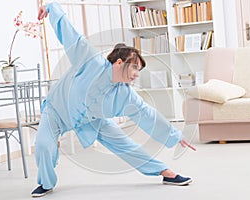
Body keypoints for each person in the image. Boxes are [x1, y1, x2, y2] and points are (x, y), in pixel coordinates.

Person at [32, 2, 195, 197]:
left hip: (91, 121)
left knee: (127, 145)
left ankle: (165, 172)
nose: (136, 74)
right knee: (43, 145)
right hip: (56, 111)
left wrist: (175, 135)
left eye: (138, 70)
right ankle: (47, 183)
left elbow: (147, 114)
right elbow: (71, 34)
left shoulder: (125, 94)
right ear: (119, 62)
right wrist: (51, 7)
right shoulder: (90, 60)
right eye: (134, 68)